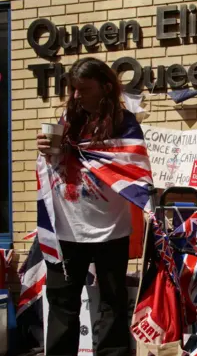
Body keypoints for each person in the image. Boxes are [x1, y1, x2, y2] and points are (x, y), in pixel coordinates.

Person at [36, 57, 136, 356]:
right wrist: (46, 150)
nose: (77, 96)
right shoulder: (67, 119)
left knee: (112, 302)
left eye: (85, 89)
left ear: (105, 88)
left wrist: (95, 156)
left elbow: (133, 165)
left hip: (110, 228)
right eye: (74, 89)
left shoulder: (125, 122)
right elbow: (54, 166)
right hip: (66, 228)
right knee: (62, 303)